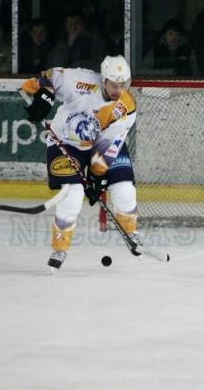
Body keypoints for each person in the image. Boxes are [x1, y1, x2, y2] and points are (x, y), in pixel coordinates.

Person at [20, 55, 138, 270]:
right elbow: (49, 76)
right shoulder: (81, 80)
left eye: (124, 85)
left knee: (124, 189)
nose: (119, 90)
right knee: (72, 194)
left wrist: (97, 177)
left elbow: (109, 143)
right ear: (103, 80)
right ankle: (60, 248)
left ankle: (132, 233)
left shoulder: (126, 106)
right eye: (114, 84)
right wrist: (44, 95)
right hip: (65, 141)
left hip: (99, 144)